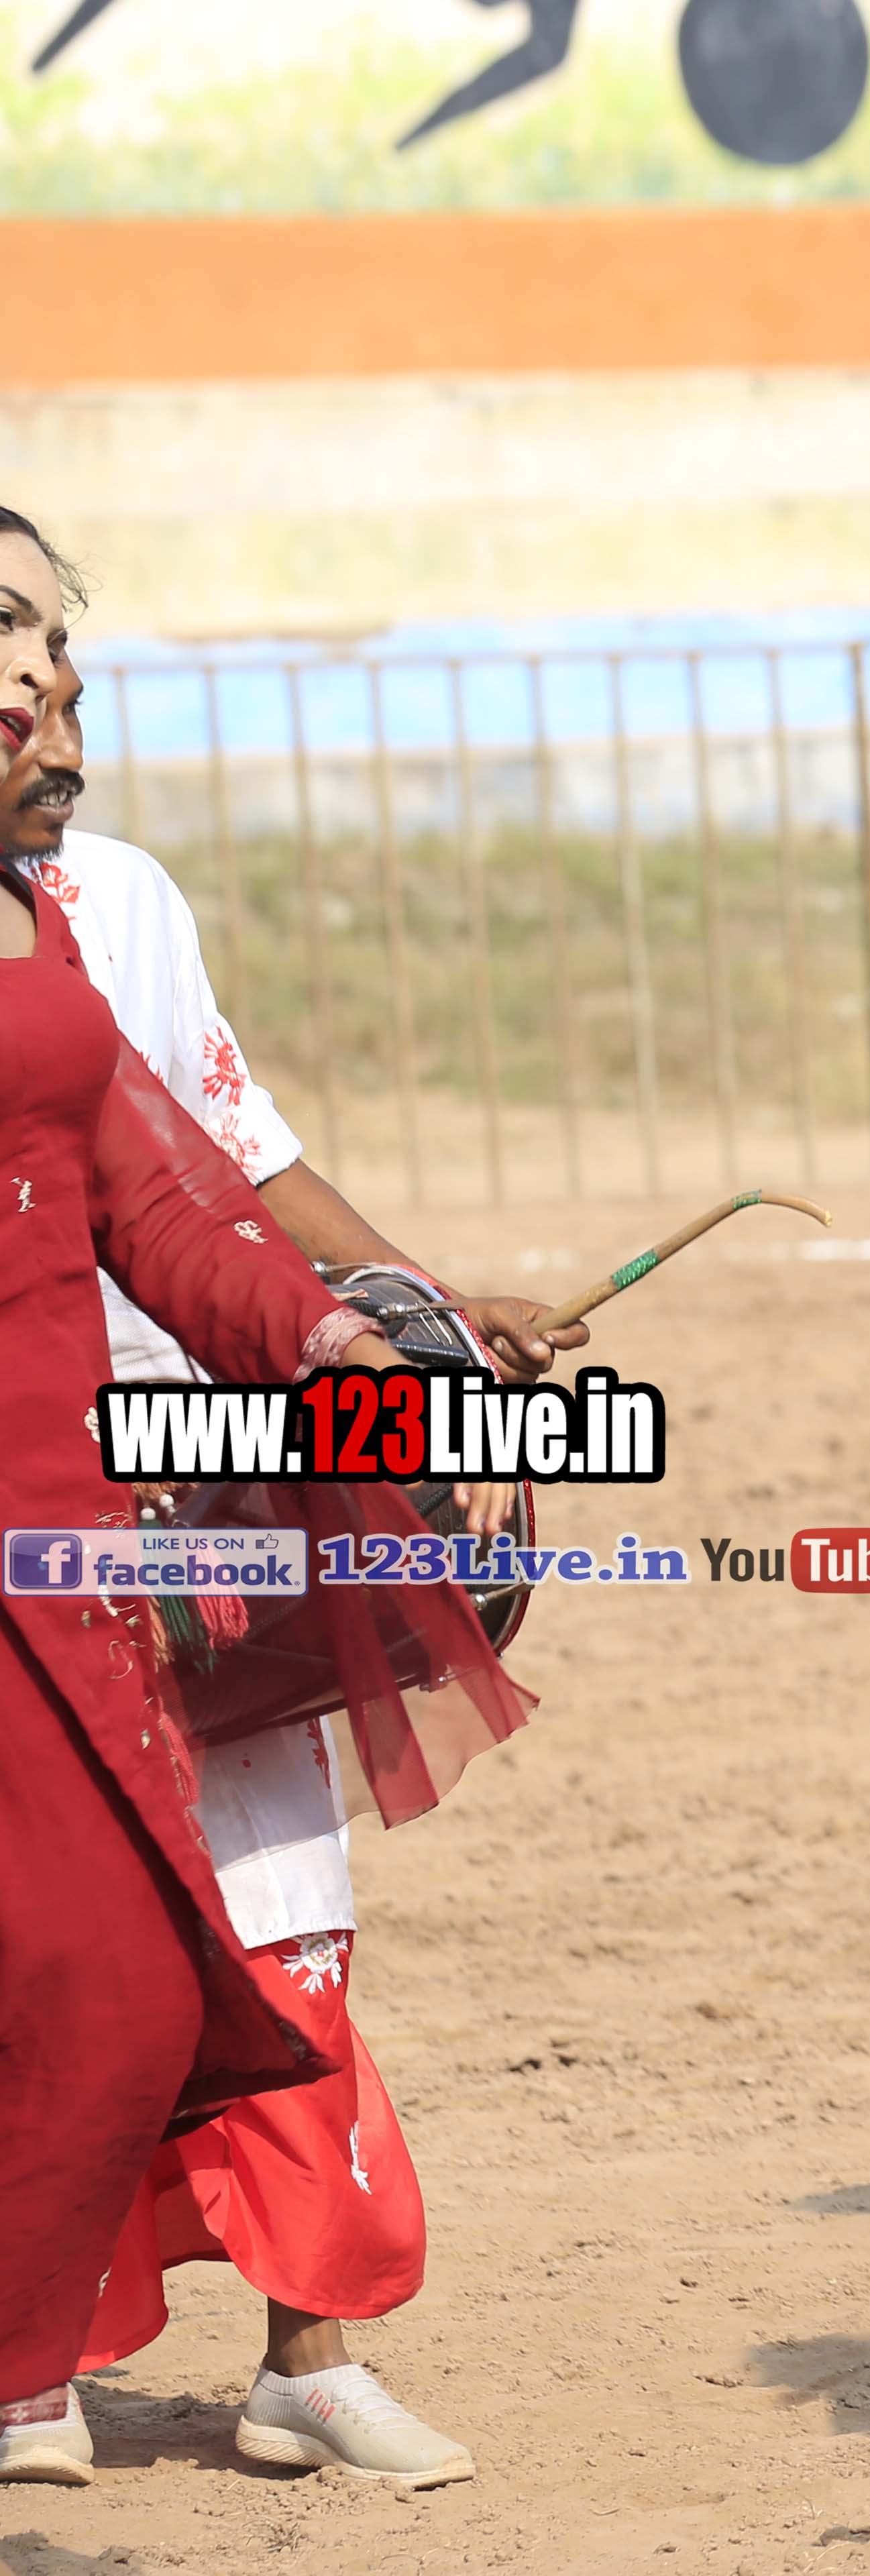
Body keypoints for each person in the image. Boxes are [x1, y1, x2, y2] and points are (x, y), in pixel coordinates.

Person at [0, 509, 576, 2489]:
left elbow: (210, 1177)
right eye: (15, 638)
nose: (53, 692)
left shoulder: (109, 912)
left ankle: (306, 2347)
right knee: (71, 1947)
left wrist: (388, 1323)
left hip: (181, 1494)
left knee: (263, 1894)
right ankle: (33, 2367)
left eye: (61, 650)